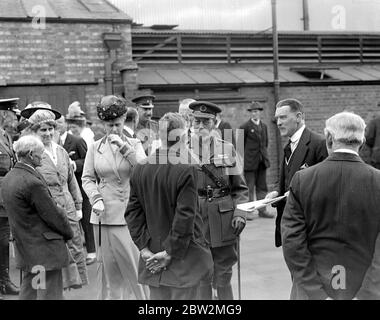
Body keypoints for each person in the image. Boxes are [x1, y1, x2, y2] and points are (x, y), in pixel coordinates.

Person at [282, 112, 380, 300]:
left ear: (329, 137)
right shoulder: (377, 181)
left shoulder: (303, 179)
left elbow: (292, 242)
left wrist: (317, 293)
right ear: (362, 140)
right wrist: (367, 293)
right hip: (363, 287)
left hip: (311, 289)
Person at [125, 112, 213, 300]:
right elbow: (185, 216)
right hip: (184, 263)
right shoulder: (186, 168)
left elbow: (132, 213)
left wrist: (144, 248)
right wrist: (169, 252)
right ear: (183, 136)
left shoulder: (141, 167)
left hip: (152, 260)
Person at [82, 95, 148, 300]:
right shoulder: (95, 147)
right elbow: (87, 178)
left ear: (124, 121)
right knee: (110, 276)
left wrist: (123, 146)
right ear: (103, 124)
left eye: (117, 125)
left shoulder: (135, 143)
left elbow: (144, 170)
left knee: (135, 271)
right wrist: (95, 198)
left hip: (129, 216)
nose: (113, 129)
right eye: (109, 126)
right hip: (103, 217)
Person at [21, 102, 88, 289]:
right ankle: (48, 289)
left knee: (75, 246)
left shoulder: (61, 151)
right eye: (43, 129)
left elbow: (70, 180)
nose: (48, 133)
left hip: (68, 206)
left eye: (51, 129)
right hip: (47, 210)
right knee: (51, 252)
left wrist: (78, 205)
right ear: (35, 131)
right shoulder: (30, 154)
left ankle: (75, 286)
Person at [188, 101, 249, 300]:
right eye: (197, 121)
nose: (200, 127)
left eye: (206, 122)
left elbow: (240, 189)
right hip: (195, 219)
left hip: (223, 219)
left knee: (223, 273)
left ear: (214, 124)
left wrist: (240, 214)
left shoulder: (228, 149)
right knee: (200, 273)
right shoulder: (182, 152)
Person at [1, 135, 73, 300]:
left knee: (31, 291)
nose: (43, 156)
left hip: (28, 248)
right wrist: (69, 232)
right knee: (50, 295)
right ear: (31, 154)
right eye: (41, 153)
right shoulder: (32, 183)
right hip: (44, 250)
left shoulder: (9, 178)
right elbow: (53, 215)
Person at [265, 98, 328, 247]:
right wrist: (276, 191)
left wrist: (296, 193)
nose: (278, 123)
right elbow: (287, 176)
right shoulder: (289, 145)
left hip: (309, 228)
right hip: (290, 225)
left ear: (299, 117)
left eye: (283, 117)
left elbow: (327, 186)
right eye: (277, 118)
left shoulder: (318, 143)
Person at [56, 116, 96, 265]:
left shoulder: (77, 140)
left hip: (80, 186)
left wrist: (74, 164)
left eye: (60, 122)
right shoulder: (53, 143)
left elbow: (88, 160)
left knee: (86, 220)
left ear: (66, 124)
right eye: (56, 123)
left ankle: (91, 252)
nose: (57, 125)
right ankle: (72, 254)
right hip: (64, 189)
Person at [0, 98, 20, 300]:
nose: (16, 118)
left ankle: (4, 281)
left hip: (5, 201)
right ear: (4, 114)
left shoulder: (5, 137)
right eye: (13, 114)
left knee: (3, 242)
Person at [240, 101, 272, 219]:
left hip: (262, 161)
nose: (255, 114)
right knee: (249, 186)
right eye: (253, 112)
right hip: (249, 162)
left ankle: (262, 210)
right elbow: (239, 146)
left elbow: (266, 143)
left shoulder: (264, 126)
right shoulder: (244, 126)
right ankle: (248, 212)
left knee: (262, 186)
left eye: (257, 111)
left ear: (260, 113)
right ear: (250, 113)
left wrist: (263, 156)